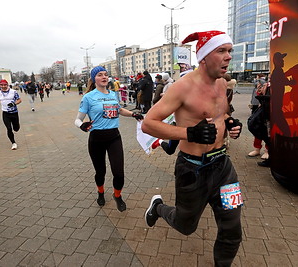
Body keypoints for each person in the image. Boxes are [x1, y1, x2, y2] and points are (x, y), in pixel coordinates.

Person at [142, 30, 243, 266]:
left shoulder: (221, 83)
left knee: (232, 228)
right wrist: (190, 133)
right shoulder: (182, 87)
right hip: (192, 170)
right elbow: (148, 124)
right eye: (222, 51)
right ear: (204, 57)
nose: (228, 56)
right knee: (185, 225)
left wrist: (230, 123)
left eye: (230, 50)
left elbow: (222, 113)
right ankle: (158, 207)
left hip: (223, 167)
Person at [74, 66, 144, 212]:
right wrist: (82, 125)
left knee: (118, 172)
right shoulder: (88, 97)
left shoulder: (113, 94)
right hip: (96, 139)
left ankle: (117, 195)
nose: (104, 77)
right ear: (94, 79)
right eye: (100, 75)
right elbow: (77, 120)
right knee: (101, 172)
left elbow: (119, 110)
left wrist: (133, 115)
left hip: (114, 137)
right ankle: (100, 192)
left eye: (106, 74)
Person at [0, 80, 22, 150]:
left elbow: (19, 100)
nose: (3, 86)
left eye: (5, 85)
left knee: (16, 128)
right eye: (1, 85)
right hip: (5, 113)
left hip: (14, 112)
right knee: (9, 128)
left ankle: (17, 126)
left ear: (7, 85)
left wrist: (14, 103)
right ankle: (13, 143)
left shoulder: (13, 92)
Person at [248, 74, 269, 158]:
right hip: (262, 110)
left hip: (271, 111)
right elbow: (258, 95)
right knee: (257, 128)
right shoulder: (265, 84)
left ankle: (267, 150)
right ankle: (257, 149)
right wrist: (261, 90)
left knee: (268, 131)